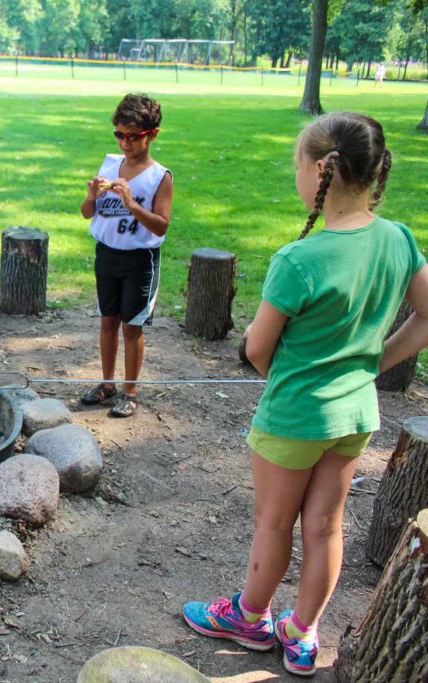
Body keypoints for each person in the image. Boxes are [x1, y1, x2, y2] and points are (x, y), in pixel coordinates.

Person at [182, 112, 428, 678]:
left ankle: (250, 617)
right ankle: (301, 632)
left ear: (320, 169)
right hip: (355, 414)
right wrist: (374, 362)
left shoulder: (299, 260)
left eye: (298, 163)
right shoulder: (398, 239)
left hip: (293, 417)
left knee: (274, 523)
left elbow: (259, 348)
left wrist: (282, 367)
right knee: (326, 526)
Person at [78, 93, 172, 418]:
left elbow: (161, 227)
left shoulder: (160, 177)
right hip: (106, 255)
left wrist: (133, 205)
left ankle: (130, 390)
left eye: (133, 136)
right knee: (107, 321)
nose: (125, 143)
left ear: (152, 134)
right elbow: (87, 212)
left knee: (131, 327)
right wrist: (91, 195)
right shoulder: (109, 164)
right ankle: (107, 384)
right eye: (119, 135)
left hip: (138, 261)